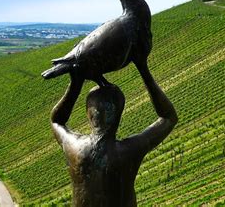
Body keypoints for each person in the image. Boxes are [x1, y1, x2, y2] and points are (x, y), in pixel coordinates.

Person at [51, 65, 178, 206]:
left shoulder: (74, 147)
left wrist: (76, 82)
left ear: (89, 114)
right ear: (118, 115)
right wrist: (144, 71)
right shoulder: (128, 151)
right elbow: (169, 118)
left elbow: (56, 121)